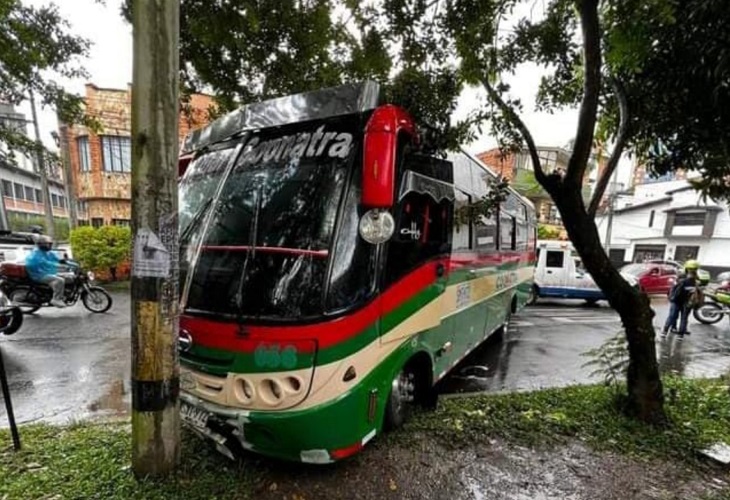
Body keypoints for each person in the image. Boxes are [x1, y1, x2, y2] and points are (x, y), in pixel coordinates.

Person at [661, 260, 701, 339]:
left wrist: (671, 297)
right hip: (686, 301)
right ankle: (679, 334)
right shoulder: (695, 280)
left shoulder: (681, 278)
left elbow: (674, 289)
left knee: (673, 316)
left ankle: (666, 331)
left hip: (677, 301)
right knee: (683, 318)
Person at [25, 235, 67, 308]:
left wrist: (67, 262)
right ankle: (56, 299)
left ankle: (60, 293)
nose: (50, 245)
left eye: (50, 244)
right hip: (38, 275)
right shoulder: (36, 253)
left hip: (46, 273)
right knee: (60, 280)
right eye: (48, 244)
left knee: (67, 277)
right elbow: (45, 262)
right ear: (42, 244)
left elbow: (56, 258)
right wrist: (59, 265)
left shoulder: (47, 252)